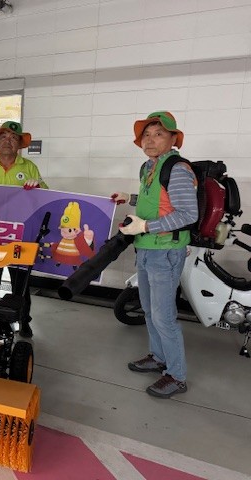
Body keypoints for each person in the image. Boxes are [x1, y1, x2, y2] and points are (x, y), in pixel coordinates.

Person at [112, 111, 198, 399]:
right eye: (146, 135)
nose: (150, 140)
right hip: (147, 248)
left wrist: (146, 226)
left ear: (174, 139)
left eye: (158, 134)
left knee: (164, 317)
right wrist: (130, 198)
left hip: (166, 252)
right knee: (150, 311)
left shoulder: (178, 169)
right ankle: (158, 357)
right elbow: (158, 200)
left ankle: (176, 376)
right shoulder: (149, 167)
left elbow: (187, 214)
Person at [0, 121, 48, 338]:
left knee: (21, 284)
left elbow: (46, 196)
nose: (8, 141)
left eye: (13, 138)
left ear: (19, 145)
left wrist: (38, 186)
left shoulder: (29, 167)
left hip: (20, 236)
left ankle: (24, 321)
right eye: (3, 137)